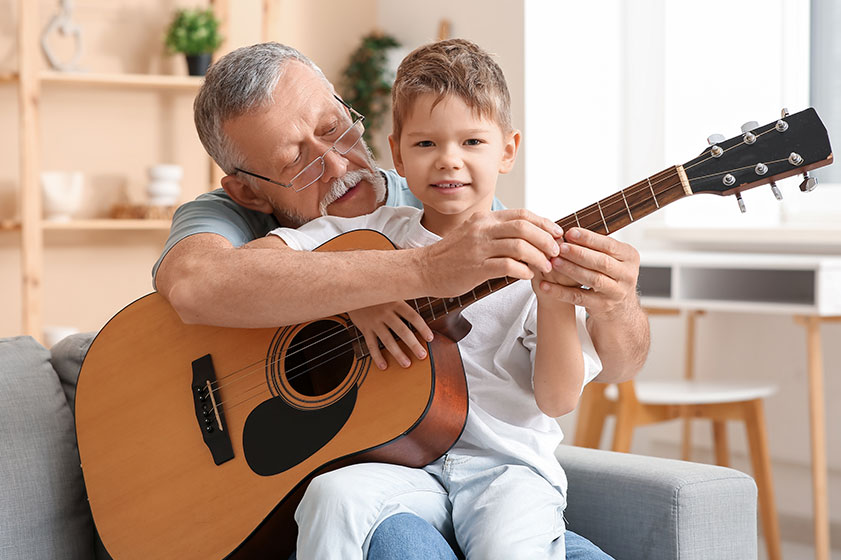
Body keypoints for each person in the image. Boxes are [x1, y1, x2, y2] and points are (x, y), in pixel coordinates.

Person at [153, 42, 649, 559]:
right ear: (250, 193)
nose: (336, 162)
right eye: (295, 160)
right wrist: (362, 286)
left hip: (499, 473)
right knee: (338, 500)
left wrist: (614, 304)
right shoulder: (308, 225)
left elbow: (602, 372)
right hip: (391, 475)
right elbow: (197, 285)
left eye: (333, 129)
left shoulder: (480, 219)